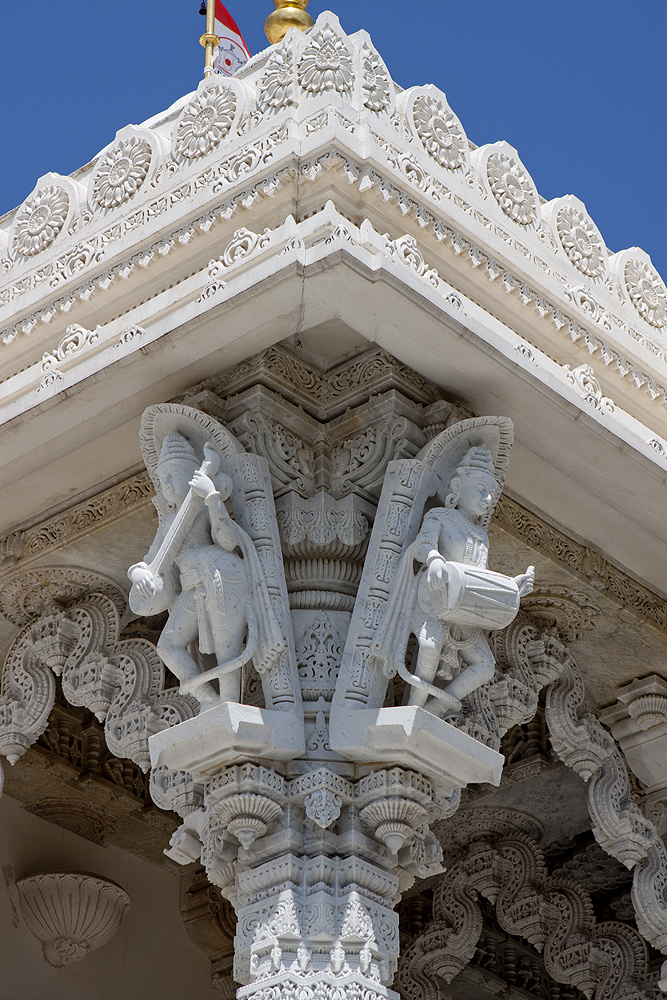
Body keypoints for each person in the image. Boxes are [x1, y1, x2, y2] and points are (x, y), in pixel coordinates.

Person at [374, 445, 534, 716]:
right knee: (429, 647)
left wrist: (510, 587)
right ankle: (413, 706)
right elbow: (423, 543)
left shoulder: (481, 536)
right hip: (432, 602)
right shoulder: (441, 517)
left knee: (485, 665)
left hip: (461, 611)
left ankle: (436, 706)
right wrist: (435, 559)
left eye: (491, 493)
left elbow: (479, 576)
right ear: (458, 486)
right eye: (481, 489)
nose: (487, 498)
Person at [128, 431, 250, 710]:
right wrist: (137, 573)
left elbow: (228, 541)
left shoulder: (204, 508)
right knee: (168, 647)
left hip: (219, 572)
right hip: (192, 585)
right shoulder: (168, 523)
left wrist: (212, 498)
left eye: (173, 474)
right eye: (162, 478)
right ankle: (207, 696)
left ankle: (231, 702)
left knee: (225, 647)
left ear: (191, 475)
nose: (167, 484)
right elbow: (152, 559)